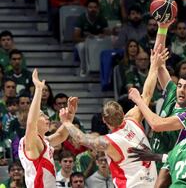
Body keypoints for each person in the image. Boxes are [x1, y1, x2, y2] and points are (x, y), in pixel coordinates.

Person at [61, 41, 170, 187]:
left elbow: (81, 139)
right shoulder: (133, 119)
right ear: (123, 112)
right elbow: (147, 94)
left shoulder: (109, 141)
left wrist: (66, 122)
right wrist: (154, 66)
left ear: (104, 121)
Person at [18, 69, 79, 188]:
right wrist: (39, 90)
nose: (47, 117)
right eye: (42, 115)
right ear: (34, 121)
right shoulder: (31, 141)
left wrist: (70, 116)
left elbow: (61, 136)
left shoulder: (43, 141)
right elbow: (31, 123)